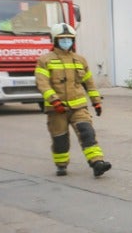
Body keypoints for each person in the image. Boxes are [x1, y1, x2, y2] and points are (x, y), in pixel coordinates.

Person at [35, 22, 111, 177]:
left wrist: (96, 101)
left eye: (69, 39)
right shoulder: (45, 60)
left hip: (79, 107)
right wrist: (54, 100)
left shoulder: (80, 60)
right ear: (55, 40)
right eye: (62, 39)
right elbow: (42, 82)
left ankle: (97, 163)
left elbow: (89, 83)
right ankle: (61, 165)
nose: (66, 42)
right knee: (60, 140)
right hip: (57, 110)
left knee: (87, 133)